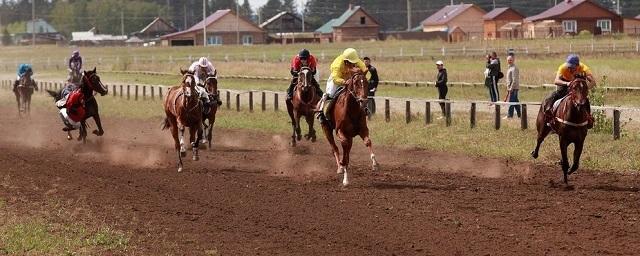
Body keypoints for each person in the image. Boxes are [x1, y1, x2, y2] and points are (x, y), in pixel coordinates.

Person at [315, 48, 368, 124]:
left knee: (360, 91)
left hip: (350, 77)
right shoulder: (337, 65)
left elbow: (364, 69)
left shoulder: (354, 59)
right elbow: (335, 79)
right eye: (351, 63)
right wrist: (344, 82)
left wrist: (364, 73)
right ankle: (321, 111)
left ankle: (365, 109)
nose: (353, 64)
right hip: (337, 80)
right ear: (346, 61)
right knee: (331, 93)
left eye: (354, 62)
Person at [544, 54, 595, 128]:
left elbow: (593, 82)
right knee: (552, 96)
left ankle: (589, 118)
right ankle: (550, 116)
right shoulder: (563, 67)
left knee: (585, 100)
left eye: (572, 67)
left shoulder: (584, 69)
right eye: (569, 67)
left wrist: (585, 90)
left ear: (577, 66)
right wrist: (567, 83)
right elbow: (556, 81)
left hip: (578, 87)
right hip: (565, 84)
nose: (570, 69)